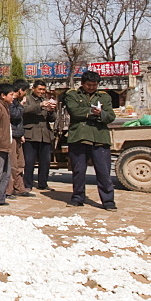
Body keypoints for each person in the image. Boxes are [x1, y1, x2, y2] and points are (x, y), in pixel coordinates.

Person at [63, 70, 117, 211]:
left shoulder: (104, 97)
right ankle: (77, 197)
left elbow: (111, 116)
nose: (92, 87)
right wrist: (92, 112)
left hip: (100, 138)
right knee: (79, 171)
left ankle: (108, 201)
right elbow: (74, 111)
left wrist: (101, 114)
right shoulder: (72, 95)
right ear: (82, 83)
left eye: (94, 85)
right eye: (89, 85)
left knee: (104, 172)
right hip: (79, 137)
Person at [22, 80, 56, 192]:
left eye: (43, 90)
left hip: (44, 135)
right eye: (40, 89)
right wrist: (39, 106)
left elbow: (52, 118)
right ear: (34, 89)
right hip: (30, 135)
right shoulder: (27, 99)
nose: (42, 92)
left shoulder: (45, 100)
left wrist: (51, 111)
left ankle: (43, 183)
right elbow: (24, 111)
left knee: (45, 161)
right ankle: (27, 184)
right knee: (29, 161)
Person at [7, 80, 33, 198]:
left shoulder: (16, 101)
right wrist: (22, 105)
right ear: (20, 90)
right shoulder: (11, 101)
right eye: (25, 91)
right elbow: (14, 115)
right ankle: (9, 190)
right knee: (12, 164)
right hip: (11, 135)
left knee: (20, 163)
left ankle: (19, 188)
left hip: (18, 135)